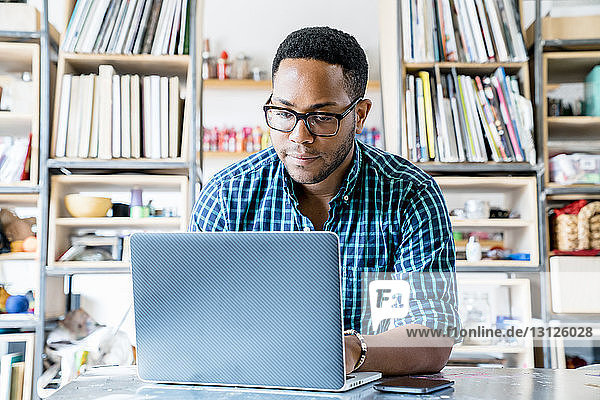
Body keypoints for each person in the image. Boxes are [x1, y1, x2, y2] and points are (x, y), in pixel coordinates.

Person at [189, 26, 460, 376]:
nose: (299, 137)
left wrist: (353, 351)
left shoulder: (410, 194)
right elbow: (191, 317)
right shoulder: (227, 193)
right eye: (284, 113)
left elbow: (432, 335)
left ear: (359, 116)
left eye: (322, 117)